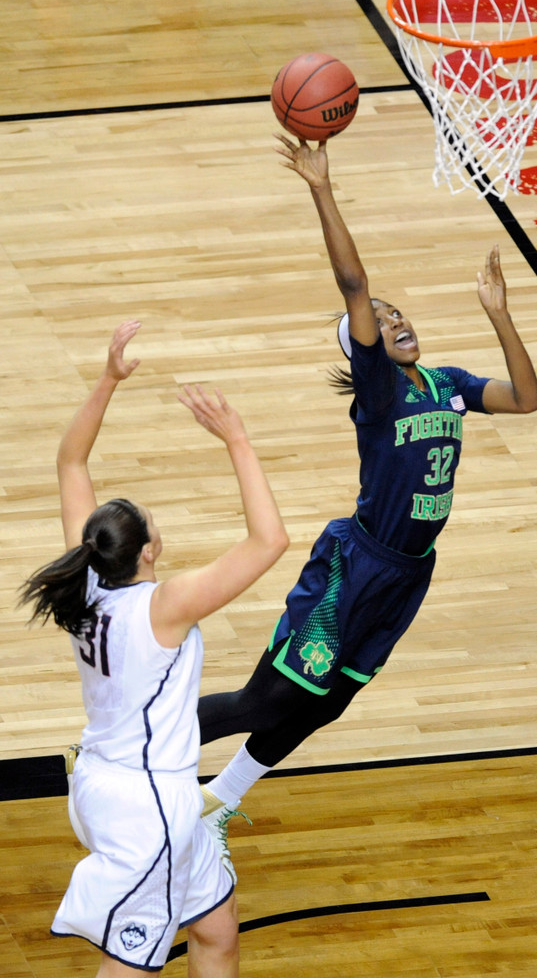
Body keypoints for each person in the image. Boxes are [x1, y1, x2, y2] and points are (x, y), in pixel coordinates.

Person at [196, 135, 537, 878]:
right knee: (267, 699)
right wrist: (323, 189)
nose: (395, 318)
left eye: (398, 311)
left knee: (325, 706)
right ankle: (118, 749)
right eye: (380, 320)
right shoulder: (381, 393)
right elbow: (354, 283)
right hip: (354, 567)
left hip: (408, 573)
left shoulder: (445, 382)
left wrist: (499, 315)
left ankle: (213, 807)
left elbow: (528, 399)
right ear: (367, 349)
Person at [19, 321, 289, 977]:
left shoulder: (85, 583)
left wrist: (109, 380)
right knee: (131, 965)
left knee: (217, 930)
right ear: (148, 548)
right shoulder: (164, 607)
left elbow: (70, 463)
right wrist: (238, 441)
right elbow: (268, 543)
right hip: (147, 807)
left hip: (110, 784)